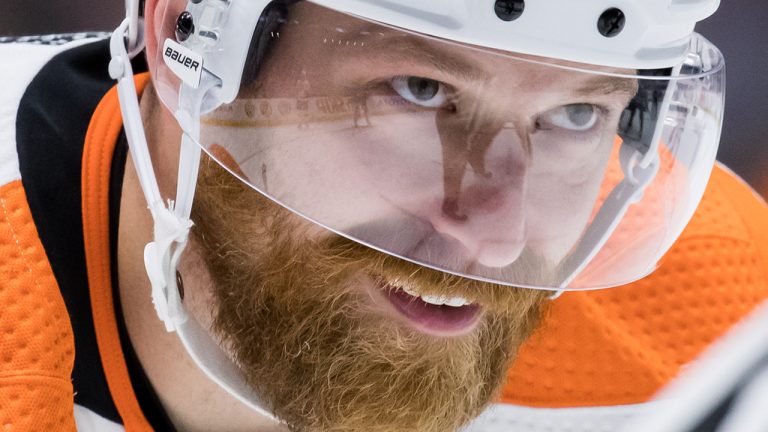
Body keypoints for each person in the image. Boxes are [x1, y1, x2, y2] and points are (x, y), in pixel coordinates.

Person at [0, 1, 766, 432]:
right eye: (421, 89)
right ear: (188, 46)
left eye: (576, 114)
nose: (496, 239)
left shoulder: (718, 318)